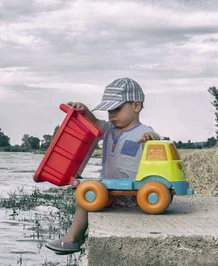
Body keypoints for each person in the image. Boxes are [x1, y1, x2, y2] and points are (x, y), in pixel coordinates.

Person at [45, 77, 160, 254]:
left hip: (134, 192)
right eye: (108, 110)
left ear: (136, 106)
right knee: (84, 194)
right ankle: (73, 239)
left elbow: (155, 139)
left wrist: (151, 139)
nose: (112, 114)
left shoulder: (143, 131)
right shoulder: (108, 129)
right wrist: (83, 110)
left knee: (89, 192)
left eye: (117, 109)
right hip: (110, 191)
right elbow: (92, 123)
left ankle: (73, 237)